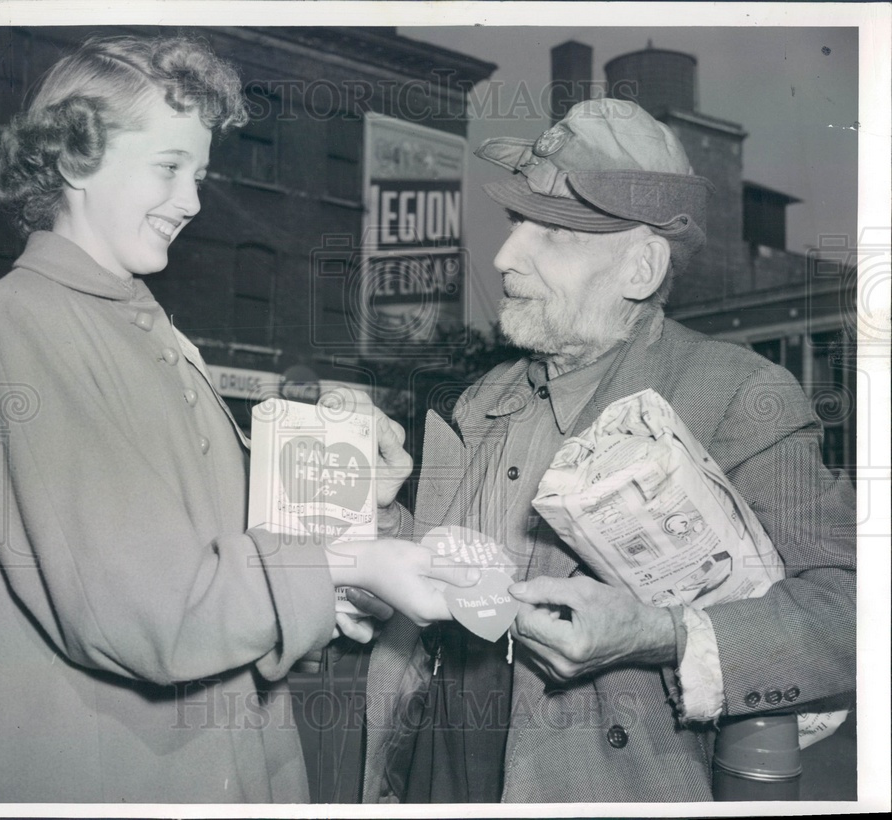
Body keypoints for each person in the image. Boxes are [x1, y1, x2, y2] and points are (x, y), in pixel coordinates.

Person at [0, 34, 477, 804]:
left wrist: (349, 494)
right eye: (168, 167)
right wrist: (349, 566)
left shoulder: (138, 327)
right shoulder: (26, 318)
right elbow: (149, 611)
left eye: (200, 174)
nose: (192, 201)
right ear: (76, 160)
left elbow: (220, 548)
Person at [353, 98, 857, 803]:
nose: (504, 257)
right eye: (516, 222)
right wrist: (381, 517)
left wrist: (659, 633)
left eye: (554, 232)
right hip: (431, 774)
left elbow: (855, 612)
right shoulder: (483, 399)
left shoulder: (736, 394)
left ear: (640, 268)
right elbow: (448, 580)